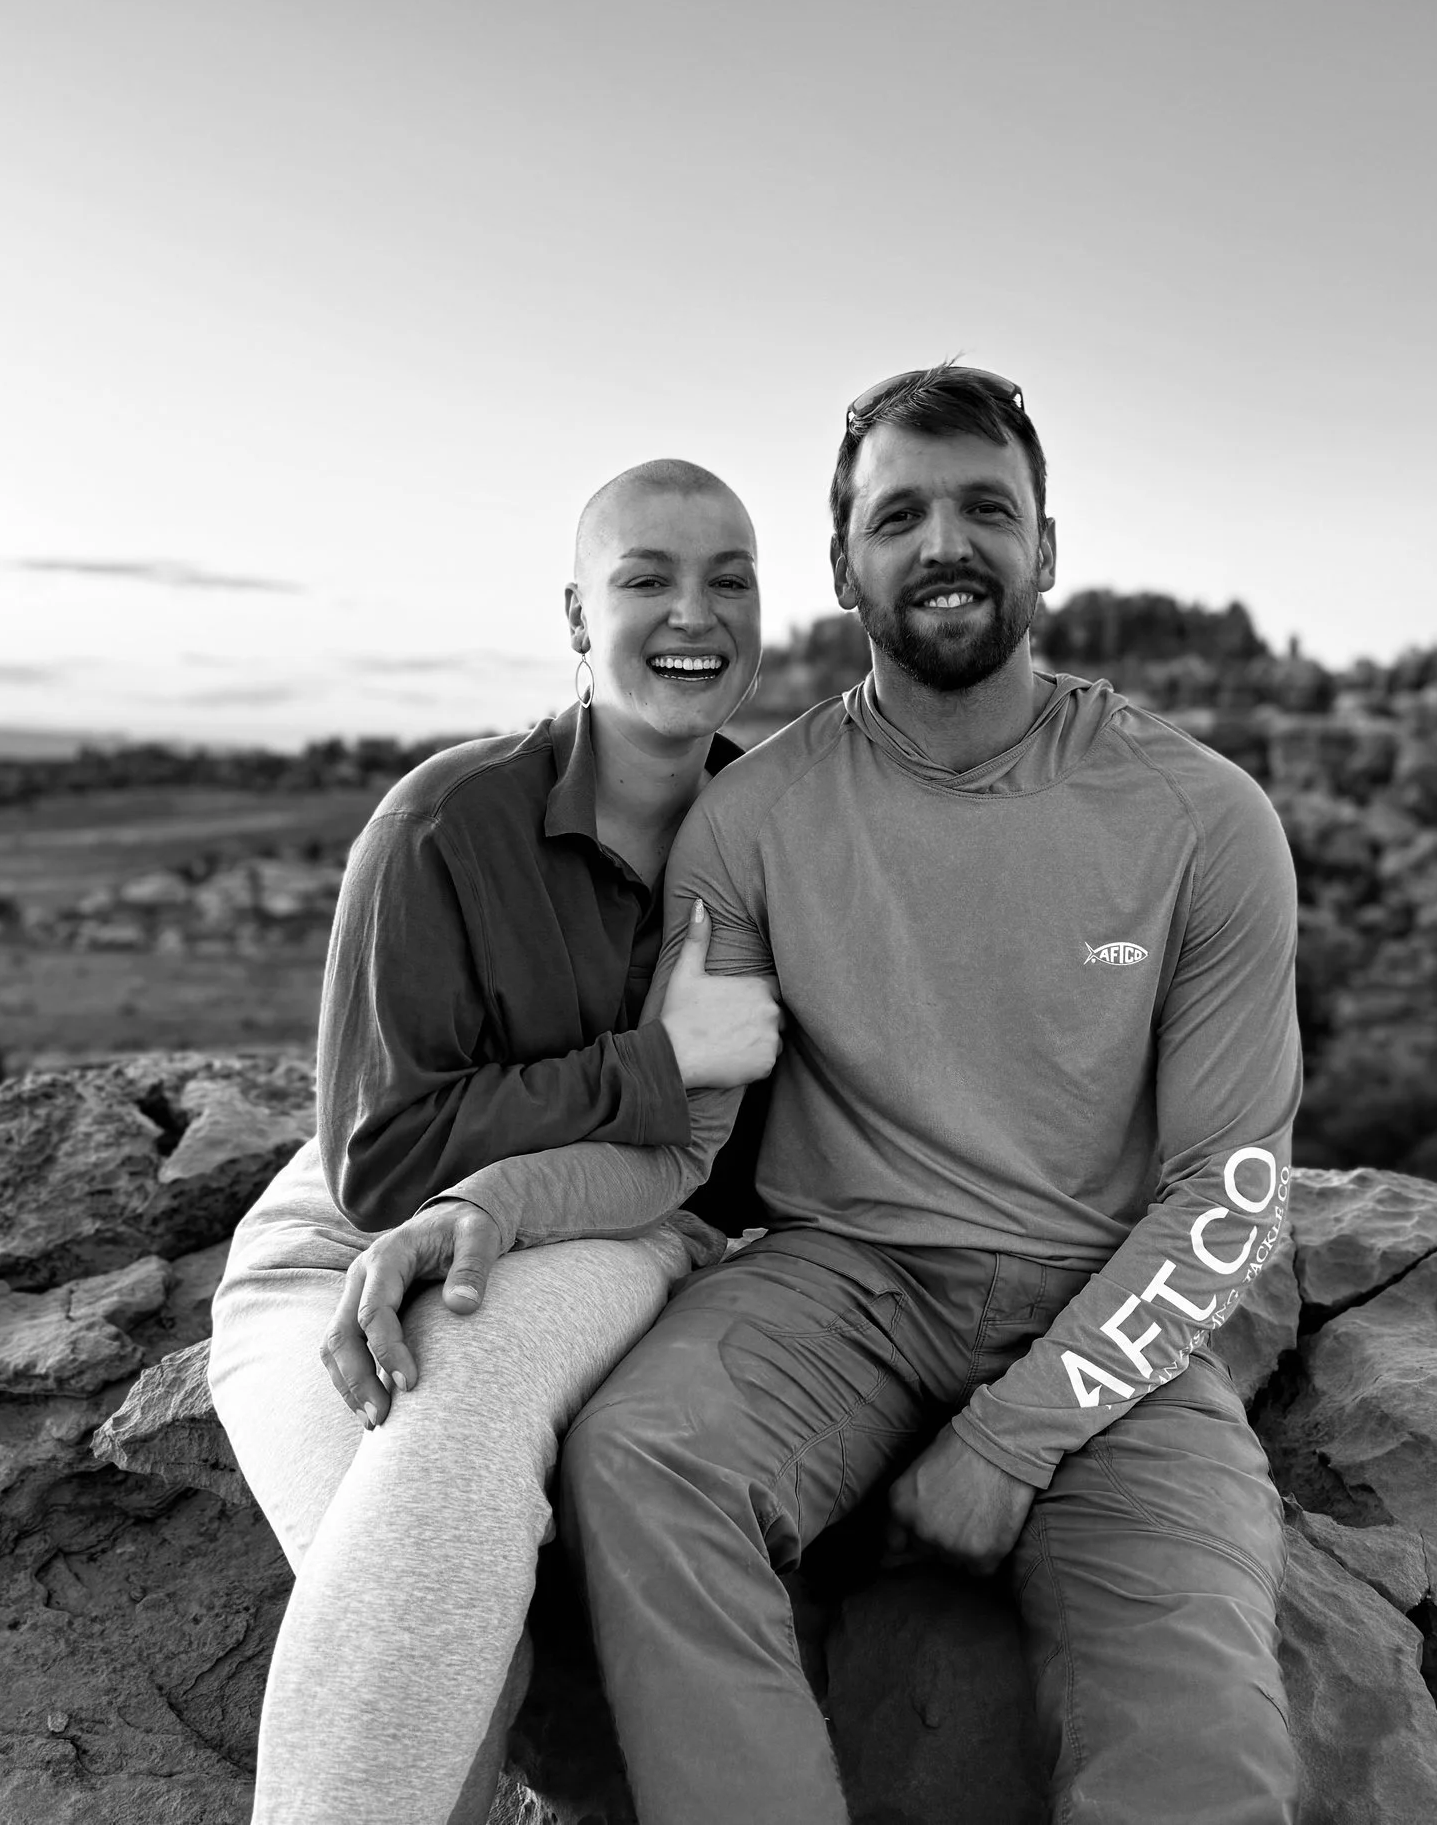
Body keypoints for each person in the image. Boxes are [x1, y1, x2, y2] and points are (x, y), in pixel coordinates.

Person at [389, 364, 1303, 1823]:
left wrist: (1017, 1436)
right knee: (641, 1462)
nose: (945, 543)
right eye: (902, 515)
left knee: (1203, 1730)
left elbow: (1230, 1188)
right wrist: (493, 1197)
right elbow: (679, 1148)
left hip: (1112, 1311)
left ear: (1046, 550)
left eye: (986, 509)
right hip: (847, 1286)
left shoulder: (1201, 815)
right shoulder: (753, 818)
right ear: (844, 564)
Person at [206, 457, 784, 1825]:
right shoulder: (439, 829)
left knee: (453, 1550)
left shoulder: (776, 841)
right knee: (447, 1598)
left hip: (608, 1223)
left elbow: (721, 1151)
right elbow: (385, 1162)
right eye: (645, 577)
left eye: (728, 579)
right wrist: (652, 1063)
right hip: (333, 1251)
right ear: (579, 615)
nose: (690, 611)